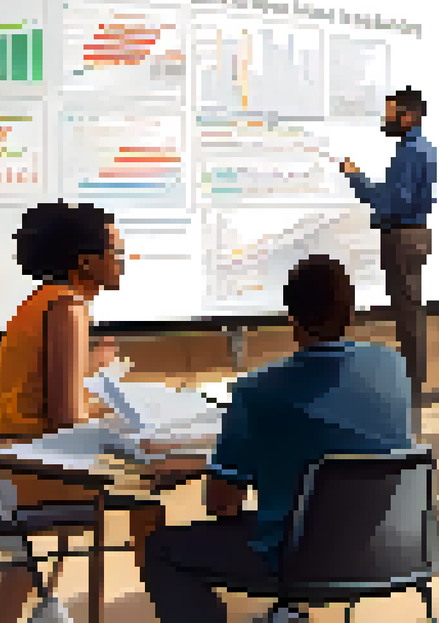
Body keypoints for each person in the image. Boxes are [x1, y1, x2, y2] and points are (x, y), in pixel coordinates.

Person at [141, 255, 414, 623]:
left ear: (292, 318)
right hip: (390, 547)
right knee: (290, 510)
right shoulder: (394, 368)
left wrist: (222, 465)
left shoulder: (257, 391)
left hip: (298, 558)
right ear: (351, 311)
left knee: (161, 548)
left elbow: (222, 505)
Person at [0, 201, 164, 623]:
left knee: (122, 475)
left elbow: (47, 398)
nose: (122, 262)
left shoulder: (44, 301)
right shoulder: (67, 307)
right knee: (148, 492)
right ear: (86, 262)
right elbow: (67, 419)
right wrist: (116, 411)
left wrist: (91, 372)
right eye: (116, 252)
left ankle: (40, 604)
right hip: (13, 470)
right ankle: (169, 606)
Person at [341, 86, 438, 433]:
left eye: (391, 112)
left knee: (409, 320)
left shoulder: (412, 151)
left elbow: (391, 202)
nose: (386, 119)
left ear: (408, 116)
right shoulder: (415, 149)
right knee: (408, 316)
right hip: (409, 236)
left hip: (404, 236)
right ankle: (410, 396)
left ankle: (410, 401)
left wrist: (355, 178)